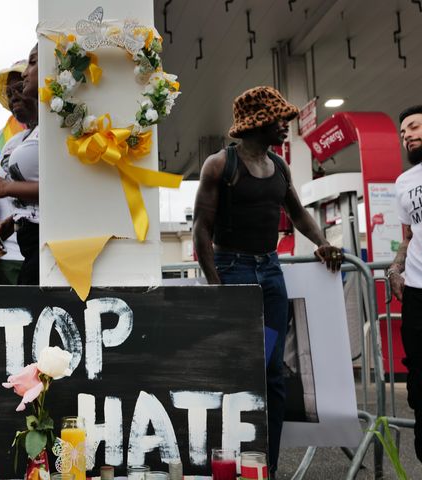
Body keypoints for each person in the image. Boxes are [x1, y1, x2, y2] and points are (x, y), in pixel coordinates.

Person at [192, 86, 343, 476]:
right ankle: (228, 464)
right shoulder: (218, 166)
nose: (285, 126)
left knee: (272, 372)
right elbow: (201, 230)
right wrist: (216, 287)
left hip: (271, 275)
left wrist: (323, 243)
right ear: (259, 122)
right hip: (235, 273)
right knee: (239, 373)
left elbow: (297, 214)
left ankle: (268, 467)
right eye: (279, 120)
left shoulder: (279, 166)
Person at [0, 45, 40, 285]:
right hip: (15, 247)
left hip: (46, 246)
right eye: (9, 94)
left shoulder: (57, 130)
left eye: (18, 88)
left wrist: (5, 188)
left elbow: (60, 188)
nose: (13, 96)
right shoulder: (14, 142)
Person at [389, 104, 422, 462]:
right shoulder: (404, 182)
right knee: (419, 384)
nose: (407, 135)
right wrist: (395, 268)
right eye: (403, 133)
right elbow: (409, 234)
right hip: (416, 292)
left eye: (413, 126)